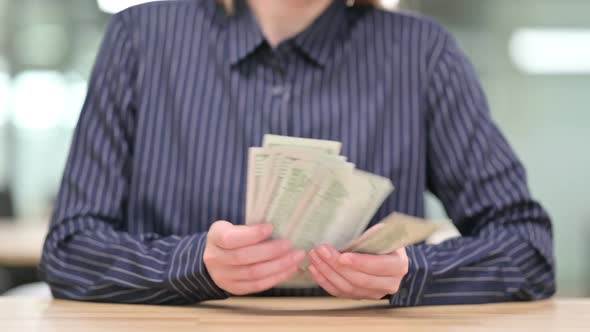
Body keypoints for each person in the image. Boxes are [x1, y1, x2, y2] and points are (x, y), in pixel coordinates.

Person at [39, 0, 555, 306]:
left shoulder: (422, 56)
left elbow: (528, 249)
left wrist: (412, 271)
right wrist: (192, 263)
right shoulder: (140, 40)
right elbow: (70, 251)